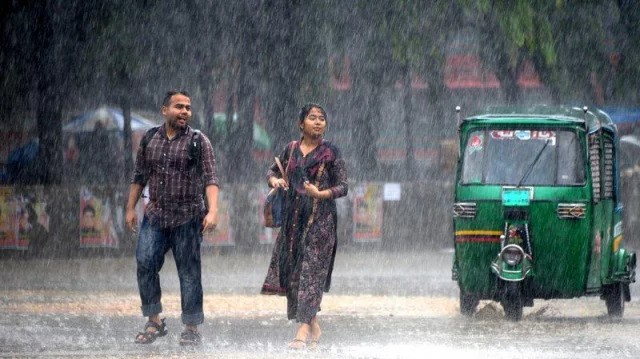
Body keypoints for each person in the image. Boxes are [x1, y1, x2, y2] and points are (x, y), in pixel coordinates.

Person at [125, 90, 219, 346]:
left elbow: (211, 179)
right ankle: (154, 320)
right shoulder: (149, 139)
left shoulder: (199, 141)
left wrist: (213, 210)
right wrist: (130, 208)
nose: (185, 112)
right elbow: (139, 175)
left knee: (189, 274)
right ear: (164, 110)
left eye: (188, 107)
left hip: (188, 218)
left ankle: (191, 327)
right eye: (179, 107)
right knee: (145, 263)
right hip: (155, 216)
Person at [261, 103, 348, 350]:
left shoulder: (331, 152)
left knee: (311, 274)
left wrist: (321, 193)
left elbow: (344, 186)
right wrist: (275, 180)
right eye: (313, 118)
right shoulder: (290, 149)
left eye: (322, 118)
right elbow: (270, 171)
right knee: (294, 275)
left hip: (321, 223)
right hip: (292, 223)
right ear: (302, 124)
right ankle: (314, 326)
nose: (318, 122)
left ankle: (301, 331)